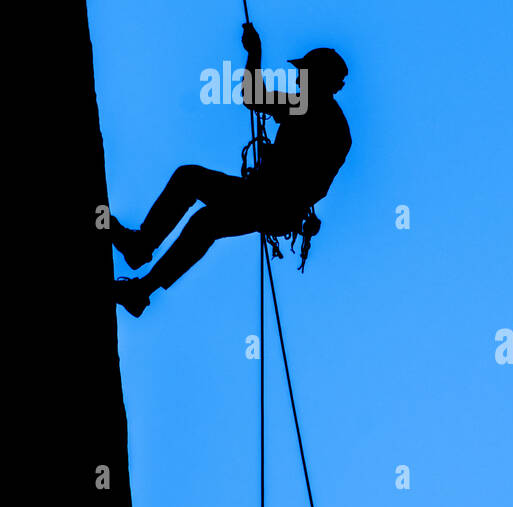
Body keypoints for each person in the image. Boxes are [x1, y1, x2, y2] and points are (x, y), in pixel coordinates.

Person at [110, 24, 351, 316]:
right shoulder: (327, 120)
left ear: (318, 77)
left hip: (269, 201)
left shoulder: (313, 111)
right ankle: (141, 281)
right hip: (273, 203)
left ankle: (141, 255)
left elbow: (253, 97)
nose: (298, 78)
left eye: (304, 73)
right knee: (203, 216)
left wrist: (254, 53)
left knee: (193, 190)